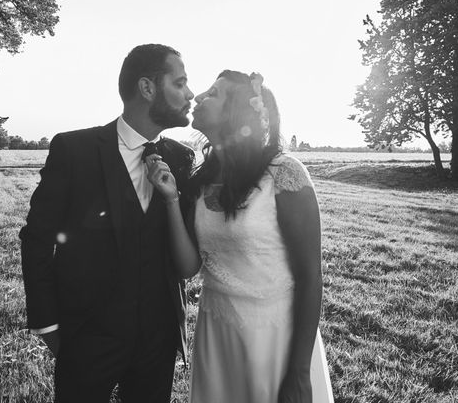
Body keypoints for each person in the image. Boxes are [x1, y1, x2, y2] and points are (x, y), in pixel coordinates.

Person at [19, 43, 195, 403]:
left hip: (157, 341)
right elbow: (37, 238)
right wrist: (47, 324)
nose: (190, 94)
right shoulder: (75, 151)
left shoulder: (181, 158)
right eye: (179, 83)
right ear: (147, 88)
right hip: (87, 337)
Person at [146, 70, 334, 403]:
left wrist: (299, 372)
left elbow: (310, 276)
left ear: (235, 112)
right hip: (216, 331)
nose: (199, 97)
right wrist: (172, 200)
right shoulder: (201, 180)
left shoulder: (284, 173)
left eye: (213, 93)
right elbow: (189, 267)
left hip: (273, 337)